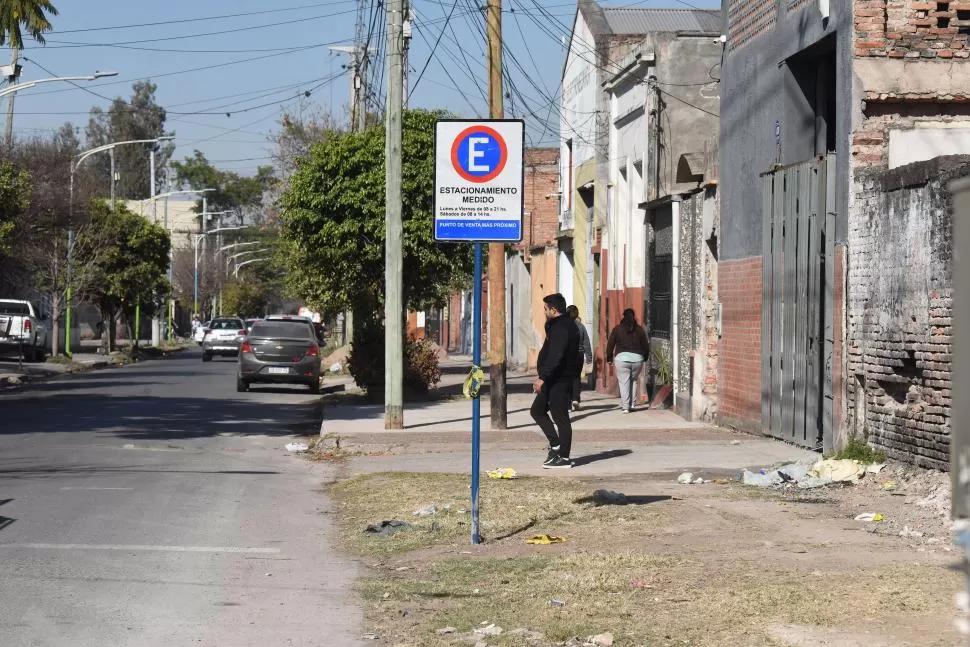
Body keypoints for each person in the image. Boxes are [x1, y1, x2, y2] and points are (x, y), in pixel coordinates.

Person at [531, 293, 581, 469]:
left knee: (561, 418)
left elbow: (556, 356)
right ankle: (556, 445)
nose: (544, 312)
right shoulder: (558, 326)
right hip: (553, 379)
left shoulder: (562, 328)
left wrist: (542, 377)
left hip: (559, 380)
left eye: (546, 309)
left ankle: (564, 458)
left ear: (554, 310)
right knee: (537, 411)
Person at [606, 308, 650, 413]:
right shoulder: (639, 329)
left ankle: (625, 406)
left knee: (624, 382)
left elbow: (610, 344)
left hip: (622, 359)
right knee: (633, 381)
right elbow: (645, 345)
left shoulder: (617, 329)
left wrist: (609, 358)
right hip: (638, 359)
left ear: (623, 317)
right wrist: (645, 357)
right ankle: (632, 404)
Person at [566, 305, 593, 411]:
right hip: (579, 355)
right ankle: (575, 399)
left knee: (567, 378)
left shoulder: (564, 326)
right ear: (577, 314)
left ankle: (568, 404)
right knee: (576, 377)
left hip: (567, 355)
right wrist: (589, 358)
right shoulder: (581, 326)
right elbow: (586, 343)